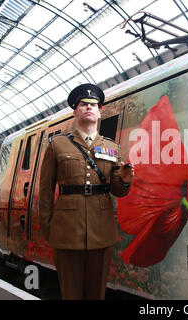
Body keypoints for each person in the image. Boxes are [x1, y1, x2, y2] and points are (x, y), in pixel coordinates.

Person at [39, 83, 134, 300]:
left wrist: (126, 180)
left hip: (102, 232)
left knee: (96, 294)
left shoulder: (113, 148)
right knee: (70, 294)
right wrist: (48, 230)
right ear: (76, 111)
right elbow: (45, 191)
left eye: (93, 105)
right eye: (84, 104)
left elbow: (118, 191)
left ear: (100, 112)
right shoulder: (57, 145)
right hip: (66, 232)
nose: (89, 107)